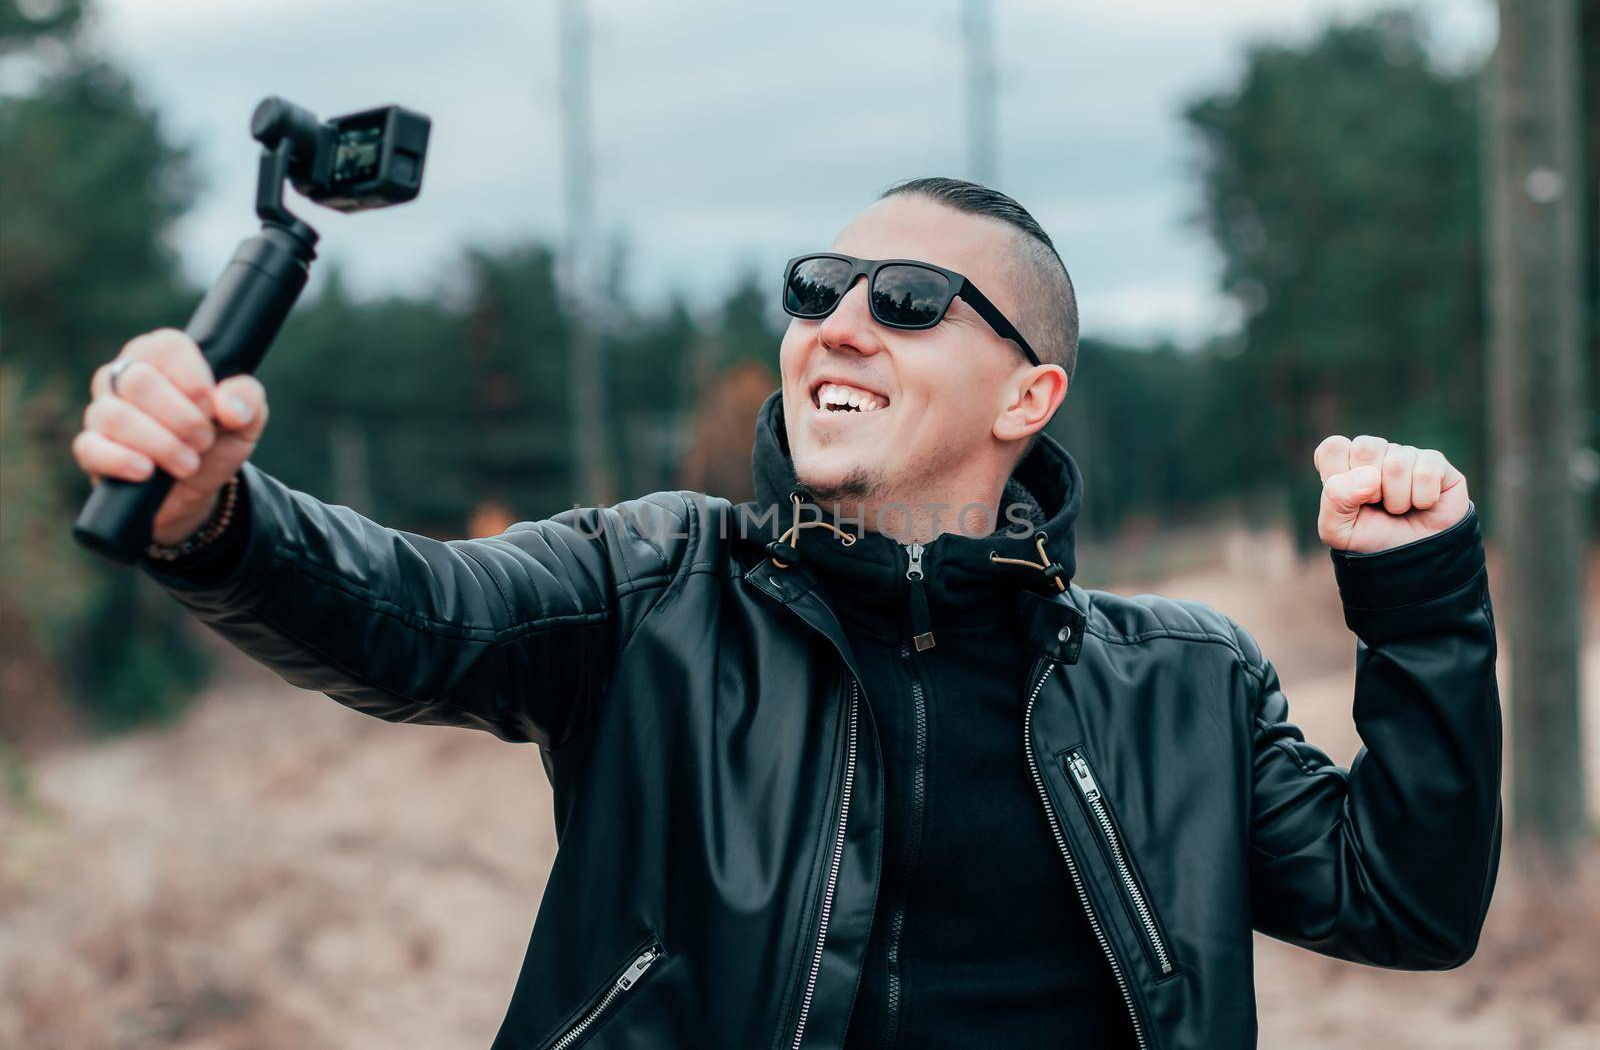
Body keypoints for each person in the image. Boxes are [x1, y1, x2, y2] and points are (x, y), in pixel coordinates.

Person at [71, 176, 1501, 1049]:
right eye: (819, 288)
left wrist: (1420, 599)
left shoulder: (1184, 682)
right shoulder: (656, 590)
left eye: (914, 299)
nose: (841, 320)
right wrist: (215, 511)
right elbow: (410, 612)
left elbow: (1406, 905)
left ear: (1028, 397)